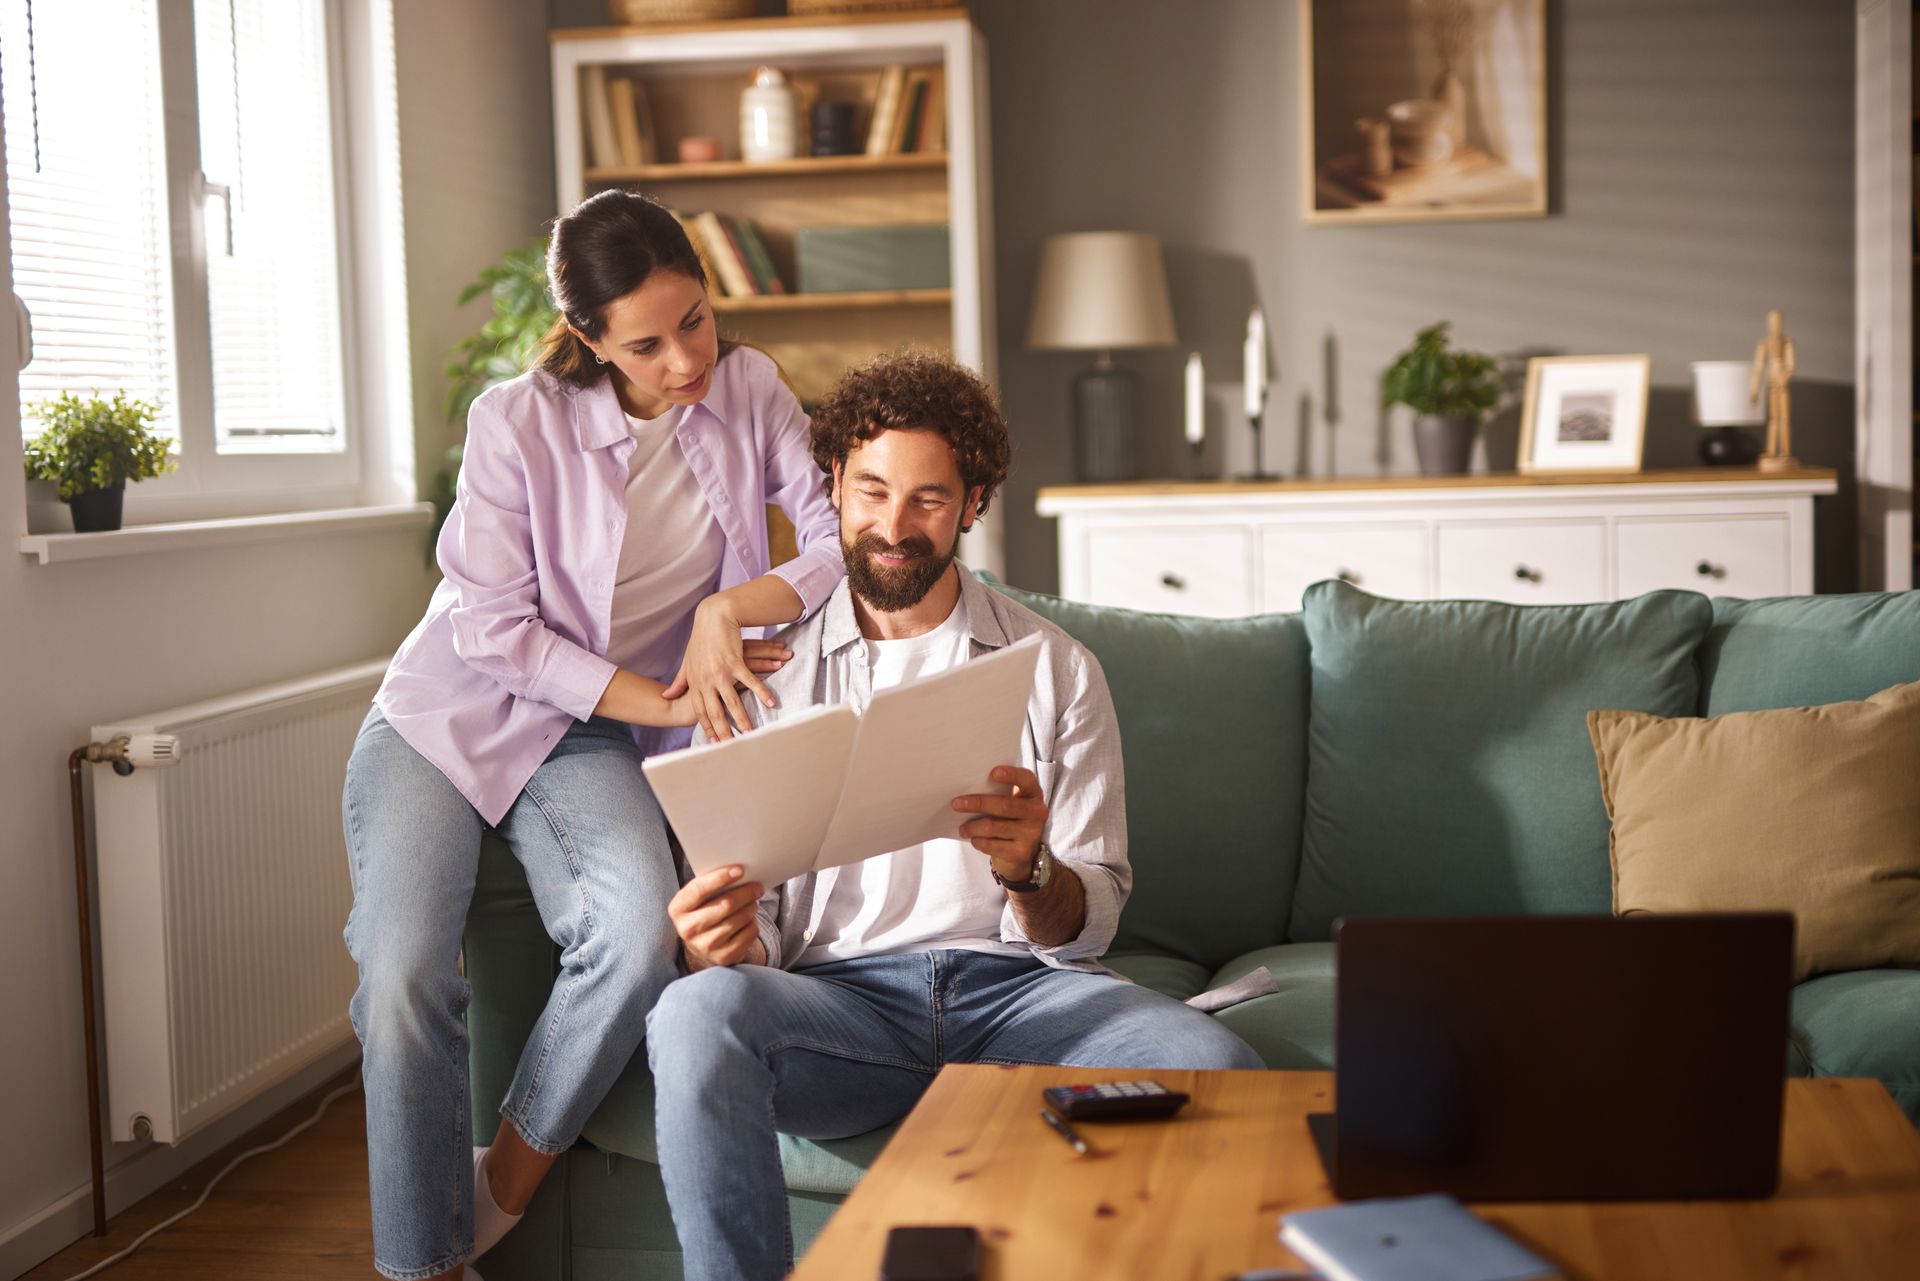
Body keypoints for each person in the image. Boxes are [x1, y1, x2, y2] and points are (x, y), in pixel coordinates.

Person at [647, 351, 1264, 1281]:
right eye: (870, 492)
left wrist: (1033, 873)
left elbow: (1089, 920)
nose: (893, 527)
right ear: (833, 491)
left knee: (1218, 1060)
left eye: (928, 499)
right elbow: (753, 934)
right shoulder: (762, 679)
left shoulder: (1057, 668)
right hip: (840, 1009)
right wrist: (717, 944)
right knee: (696, 1010)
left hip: (1021, 998)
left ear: (973, 502)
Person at [341, 190, 843, 1281]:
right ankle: (426, 1269)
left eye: (697, 321)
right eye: (648, 344)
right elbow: (487, 626)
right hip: (447, 716)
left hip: (588, 742)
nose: (685, 360)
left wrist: (728, 610)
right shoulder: (512, 422)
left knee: (632, 933)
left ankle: (499, 1188)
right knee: (403, 972)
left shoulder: (751, 387)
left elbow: (830, 542)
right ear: (588, 340)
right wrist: (659, 698)